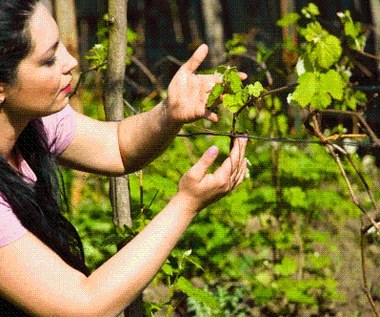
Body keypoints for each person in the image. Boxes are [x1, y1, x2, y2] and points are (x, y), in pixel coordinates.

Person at [0, 0, 248, 316]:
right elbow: (83, 306)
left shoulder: (30, 121)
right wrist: (185, 205)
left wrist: (170, 113)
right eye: (49, 60)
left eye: (61, 45)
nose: (71, 61)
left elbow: (117, 147)